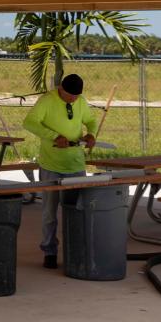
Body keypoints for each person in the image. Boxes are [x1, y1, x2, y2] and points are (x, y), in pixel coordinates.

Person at [22, 73, 97, 269]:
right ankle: (49, 251)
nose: (74, 99)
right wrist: (54, 136)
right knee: (49, 213)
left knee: (79, 210)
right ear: (61, 89)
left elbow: (90, 120)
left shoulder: (81, 101)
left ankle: (78, 250)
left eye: (77, 96)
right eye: (70, 96)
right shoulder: (46, 100)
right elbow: (29, 122)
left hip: (75, 164)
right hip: (51, 165)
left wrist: (91, 134)